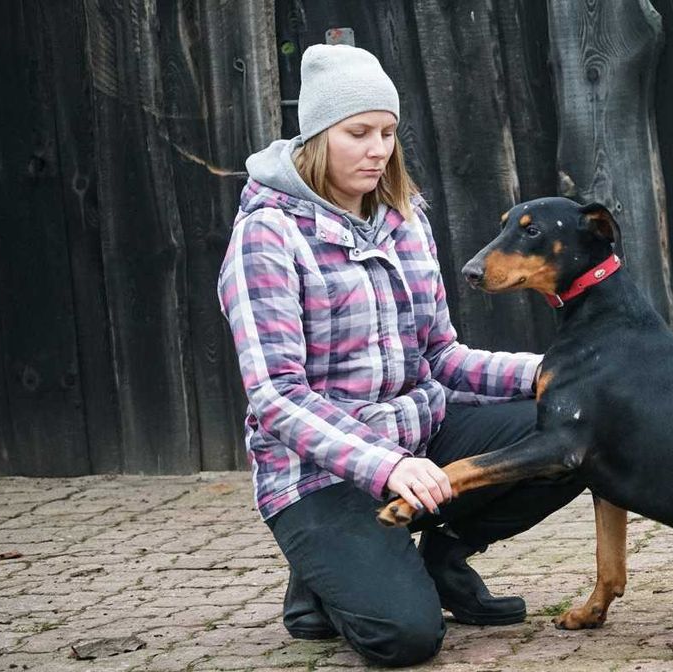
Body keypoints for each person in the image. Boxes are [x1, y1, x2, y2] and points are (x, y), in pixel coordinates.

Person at [217, 44, 583, 667]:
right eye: (357, 133)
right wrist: (385, 465)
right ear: (315, 138)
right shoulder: (266, 236)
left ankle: (440, 557)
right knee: (405, 639)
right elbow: (275, 393)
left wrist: (554, 373)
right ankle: (326, 570)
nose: (378, 149)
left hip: (421, 435)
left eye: (387, 132)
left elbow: (441, 355)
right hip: (318, 472)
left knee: (578, 431)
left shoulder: (405, 218)